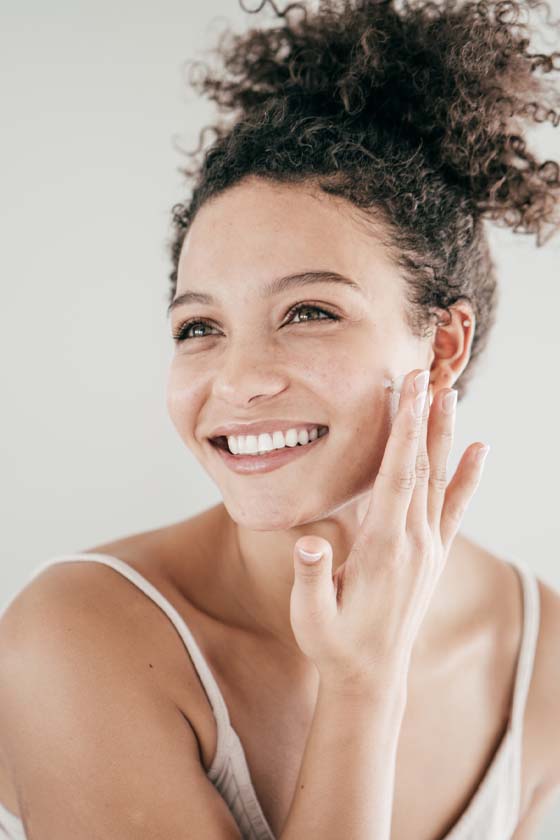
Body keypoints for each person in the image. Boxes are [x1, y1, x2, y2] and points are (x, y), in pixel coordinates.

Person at [1, 0, 560, 837]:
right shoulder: (76, 637)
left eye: (308, 312)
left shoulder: (540, 655)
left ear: (443, 346)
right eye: (200, 328)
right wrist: (363, 685)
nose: (239, 380)